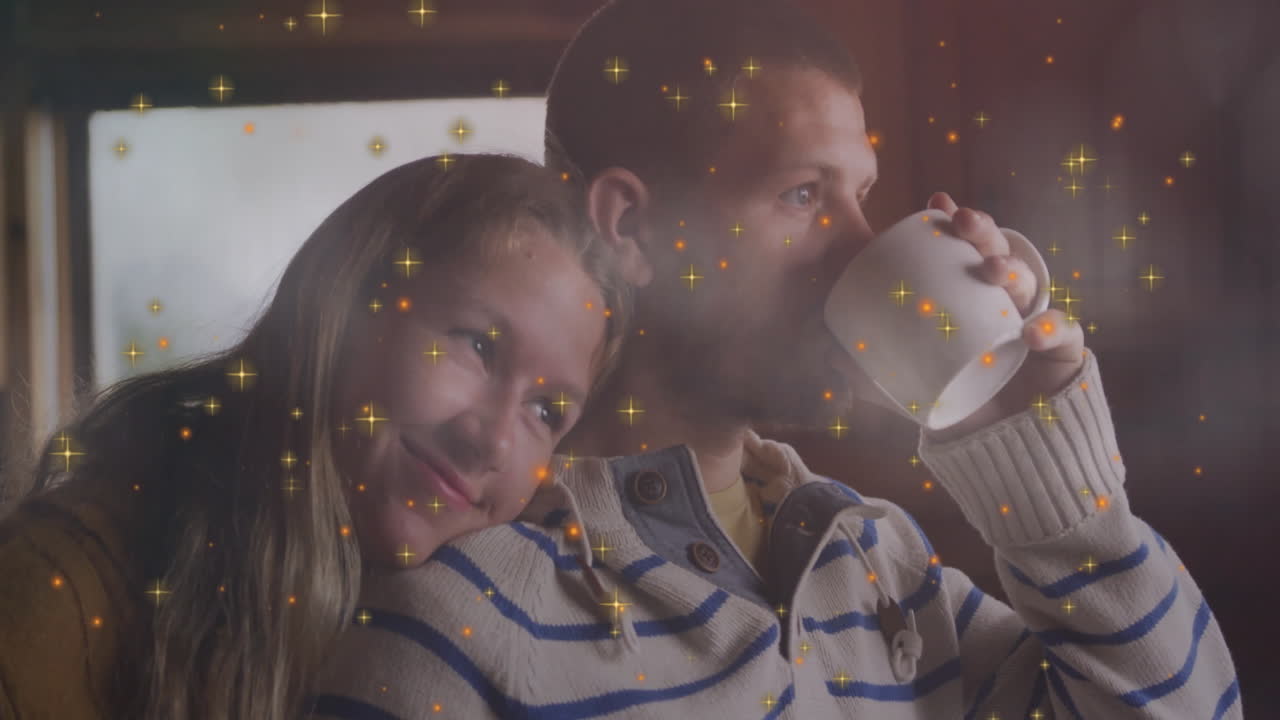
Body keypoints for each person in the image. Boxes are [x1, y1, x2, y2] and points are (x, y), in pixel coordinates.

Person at [311, 1, 1241, 718]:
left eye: (862, 198)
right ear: (632, 227)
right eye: (802, 195)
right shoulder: (458, 618)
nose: (857, 249)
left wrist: (1049, 484)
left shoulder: (878, 565)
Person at [0, 153, 629, 720]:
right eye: (479, 346)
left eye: (546, 412)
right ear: (348, 300)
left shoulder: (497, 625)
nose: (492, 444)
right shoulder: (61, 594)